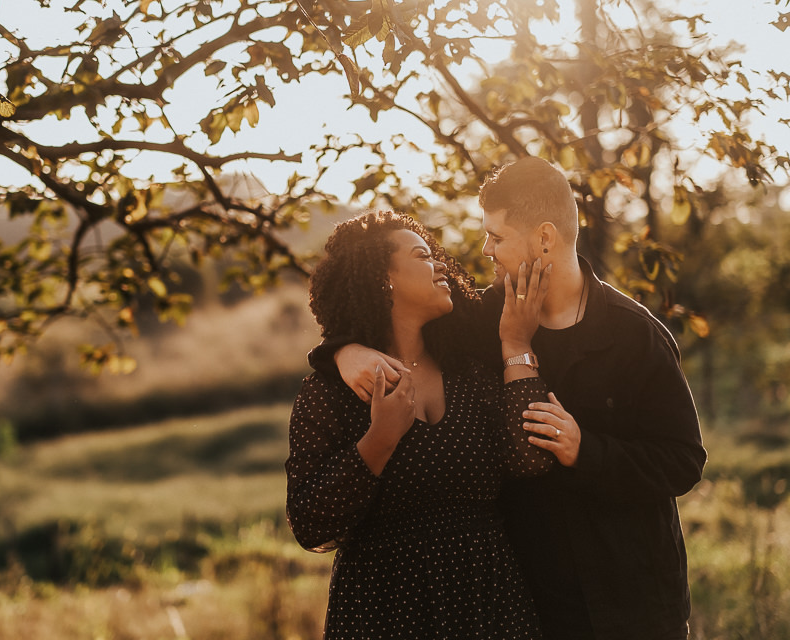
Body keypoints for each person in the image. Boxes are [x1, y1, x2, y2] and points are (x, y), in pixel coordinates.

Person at [313, 157, 707, 640]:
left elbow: (683, 461)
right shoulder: (478, 322)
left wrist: (586, 450)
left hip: (634, 604)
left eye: (496, 237)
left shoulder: (635, 335)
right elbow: (389, 317)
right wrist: (342, 352)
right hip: (536, 605)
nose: (486, 250)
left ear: (545, 239)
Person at [286, 210, 556, 639]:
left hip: (487, 601)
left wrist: (516, 344)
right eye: (421, 256)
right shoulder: (333, 392)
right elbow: (309, 523)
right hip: (386, 610)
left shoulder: (468, 373)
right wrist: (379, 440)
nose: (441, 266)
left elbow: (530, 460)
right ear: (383, 279)